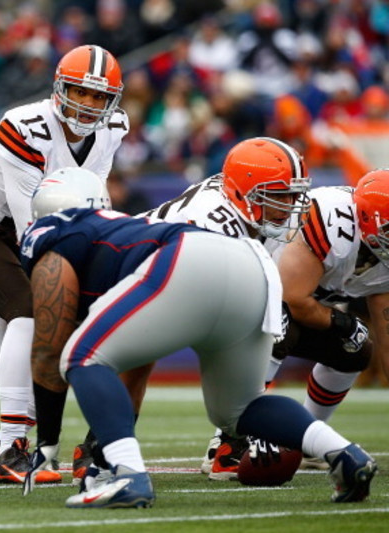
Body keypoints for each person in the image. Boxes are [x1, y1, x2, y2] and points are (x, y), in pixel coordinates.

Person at [21, 167, 377, 508]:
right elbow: (138, 357)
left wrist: (47, 442)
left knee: (80, 357)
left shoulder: (52, 232)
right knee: (239, 410)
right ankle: (344, 454)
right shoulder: (118, 229)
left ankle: (129, 475)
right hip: (253, 265)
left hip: (186, 256)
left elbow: (49, 347)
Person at [0, 44, 129, 483]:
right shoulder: (25, 128)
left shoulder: (113, 127)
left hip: (34, 225)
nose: (90, 104)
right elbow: (29, 231)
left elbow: (96, 197)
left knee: (94, 310)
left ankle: (91, 441)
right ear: (59, 88)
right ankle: (8, 444)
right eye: (81, 92)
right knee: (31, 309)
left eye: (100, 96)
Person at [266, 169, 389, 467]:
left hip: (297, 303)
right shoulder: (333, 218)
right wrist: (341, 322)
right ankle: (228, 444)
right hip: (254, 296)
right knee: (278, 326)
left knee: (357, 347)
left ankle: (306, 436)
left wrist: (347, 329)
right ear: (367, 219)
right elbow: (291, 298)